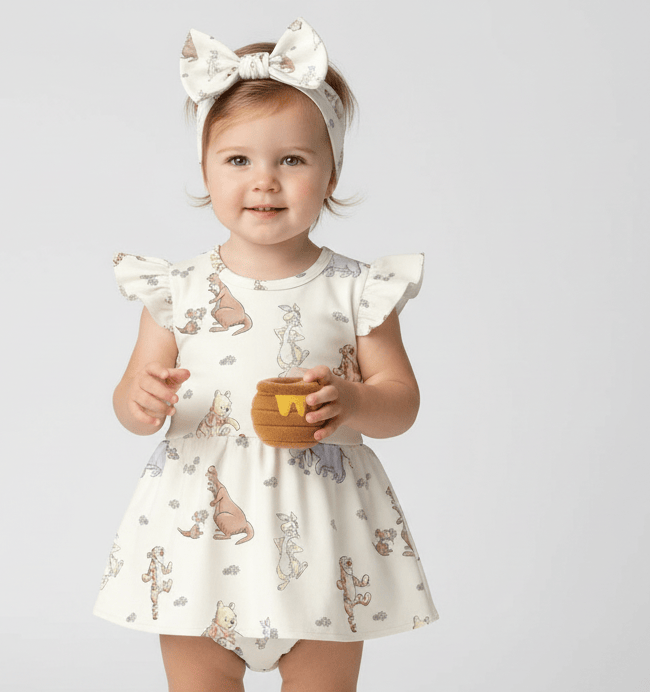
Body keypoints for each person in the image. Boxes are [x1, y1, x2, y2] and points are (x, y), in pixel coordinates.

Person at [94, 17, 438, 692]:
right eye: (238, 160)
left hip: (323, 538)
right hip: (198, 539)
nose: (264, 182)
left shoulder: (357, 290)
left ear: (331, 171)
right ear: (205, 168)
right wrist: (141, 400)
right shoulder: (175, 290)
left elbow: (401, 404)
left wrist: (353, 400)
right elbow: (130, 404)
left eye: (292, 160)